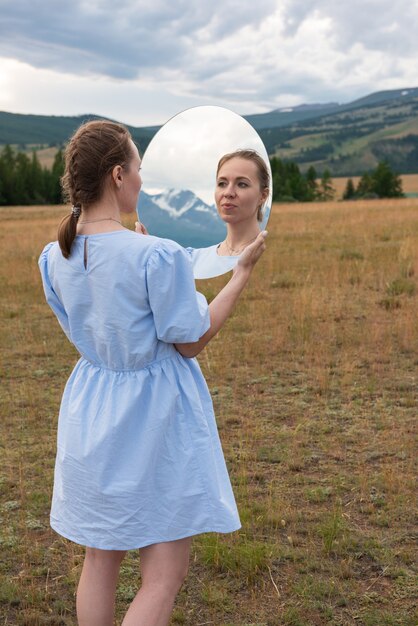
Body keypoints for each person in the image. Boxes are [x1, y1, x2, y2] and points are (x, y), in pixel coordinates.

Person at [38, 120, 267, 626]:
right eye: (139, 167)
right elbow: (190, 340)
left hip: (91, 412)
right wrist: (241, 276)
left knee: (99, 558)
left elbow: (93, 326)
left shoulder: (55, 255)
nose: (142, 178)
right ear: (119, 175)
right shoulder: (155, 254)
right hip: (156, 416)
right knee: (162, 575)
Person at [187, 149, 270, 279]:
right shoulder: (195, 259)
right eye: (222, 184)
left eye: (242, 184)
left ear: (263, 196)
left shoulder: (273, 259)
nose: (228, 192)